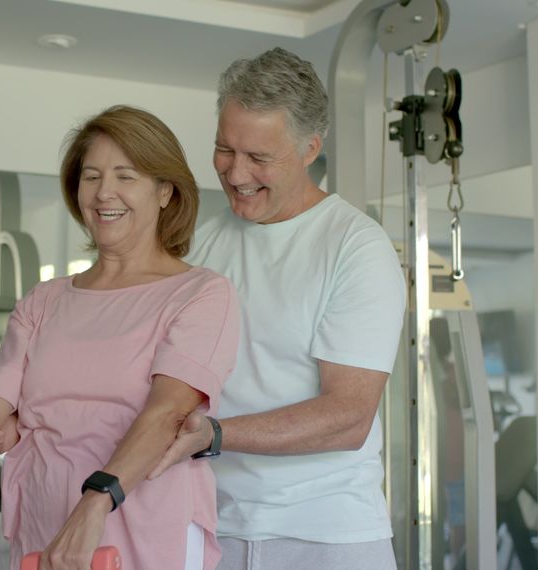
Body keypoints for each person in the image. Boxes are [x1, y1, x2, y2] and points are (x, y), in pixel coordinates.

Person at [0, 105, 240, 570]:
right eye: (91, 176)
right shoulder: (44, 301)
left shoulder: (200, 293)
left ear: (165, 191)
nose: (105, 192)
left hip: (144, 523)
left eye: (126, 176)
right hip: (45, 525)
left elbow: (168, 412)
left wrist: (95, 502)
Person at [147, 47, 407, 569]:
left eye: (259, 158)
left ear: (310, 148)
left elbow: (348, 417)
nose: (235, 173)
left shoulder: (355, 246)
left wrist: (215, 435)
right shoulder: (198, 240)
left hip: (323, 532)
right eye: (225, 149)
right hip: (209, 522)